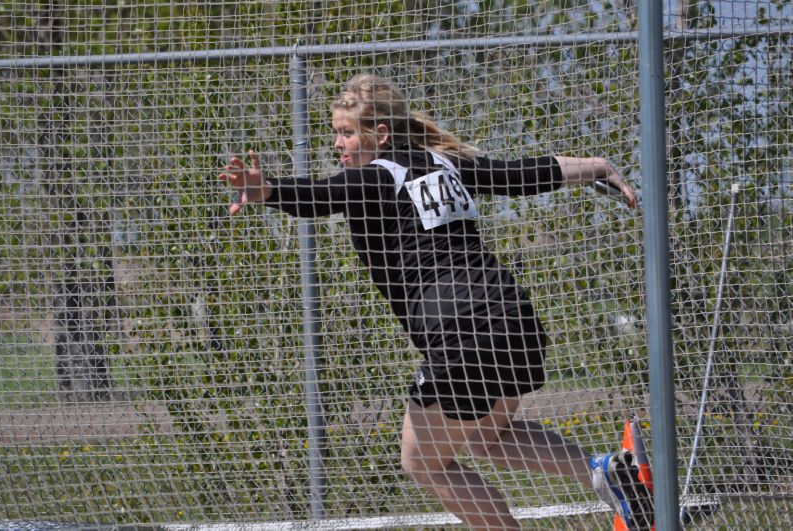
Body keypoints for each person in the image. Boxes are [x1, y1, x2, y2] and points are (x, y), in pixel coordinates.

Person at [218, 73, 654, 530]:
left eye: (346, 133)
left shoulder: (376, 176)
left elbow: (318, 196)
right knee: (490, 439)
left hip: (460, 335)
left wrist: (267, 191)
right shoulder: (445, 164)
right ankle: (606, 471)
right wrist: (597, 166)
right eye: (335, 134)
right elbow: (522, 173)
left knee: (422, 462)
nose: (338, 145)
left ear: (379, 135)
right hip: (512, 320)